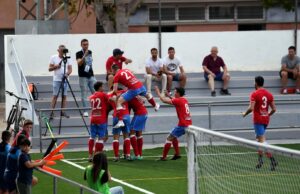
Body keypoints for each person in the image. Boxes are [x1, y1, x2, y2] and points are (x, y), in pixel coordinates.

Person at [242, 76, 277, 170]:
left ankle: (273, 160)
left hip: (258, 120)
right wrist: (268, 114)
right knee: (258, 139)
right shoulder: (269, 94)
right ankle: (260, 160)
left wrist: (245, 114)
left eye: (254, 82)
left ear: (256, 83)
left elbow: (251, 108)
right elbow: (274, 109)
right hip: (266, 120)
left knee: (261, 141)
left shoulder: (255, 94)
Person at [111, 64, 159, 128]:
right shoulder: (126, 70)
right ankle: (155, 105)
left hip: (133, 89)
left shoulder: (116, 76)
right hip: (139, 85)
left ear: (114, 70)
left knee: (119, 102)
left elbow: (115, 90)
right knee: (147, 95)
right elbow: (131, 78)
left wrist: (112, 93)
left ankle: (120, 121)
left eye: (112, 71)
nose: (112, 72)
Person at [155, 86, 192, 161]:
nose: (174, 93)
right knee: (173, 136)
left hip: (183, 124)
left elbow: (163, 100)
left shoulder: (178, 101)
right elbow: (175, 100)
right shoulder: (184, 100)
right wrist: (169, 96)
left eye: (175, 92)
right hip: (187, 123)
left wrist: (158, 92)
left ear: (178, 93)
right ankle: (177, 154)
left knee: (169, 138)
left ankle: (164, 157)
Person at [48, 44, 73, 119]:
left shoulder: (68, 58)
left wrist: (67, 74)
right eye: (61, 50)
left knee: (64, 96)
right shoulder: (53, 57)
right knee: (55, 96)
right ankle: (51, 112)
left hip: (65, 79)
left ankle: (63, 111)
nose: (62, 52)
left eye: (64, 50)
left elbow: (70, 69)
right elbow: (49, 69)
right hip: (57, 80)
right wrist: (56, 66)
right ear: (58, 50)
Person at [107, 89, 132, 161]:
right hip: (126, 115)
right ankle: (127, 155)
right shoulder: (126, 93)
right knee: (126, 136)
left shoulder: (110, 94)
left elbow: (109, 100)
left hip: (117, 115)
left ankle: (116, 156)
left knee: (116, 137)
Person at [88, 81, 109, 161]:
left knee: (92, 137)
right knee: (100, 138)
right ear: (100, 87)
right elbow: (110, 100)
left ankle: (90, 155)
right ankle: (96, 155)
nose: (103, 88)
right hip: (101, 119)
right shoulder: (103, 95)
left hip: (93, 118)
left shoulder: (91, 97)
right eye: (102, 86)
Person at [76, 39, 97, 117]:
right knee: (84, 94)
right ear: (81, 45)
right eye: (84, 44)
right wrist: (84, 55)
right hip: (82, 76)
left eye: (87, 44)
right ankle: (85, 110)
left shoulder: (90, 52)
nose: (86, 46)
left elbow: (89, 63)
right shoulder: (78, 53)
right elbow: (79, 63)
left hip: (91, 75)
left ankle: (96, 109)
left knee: (96, 92)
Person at [128, 95, 148, 160]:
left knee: (131, 133)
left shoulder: (128, 96)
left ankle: (137, 154)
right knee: (139, 133)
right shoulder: (135, 94)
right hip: (144, 113)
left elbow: (128, 111)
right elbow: (143, 101)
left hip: (139, 113)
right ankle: (139, 154)